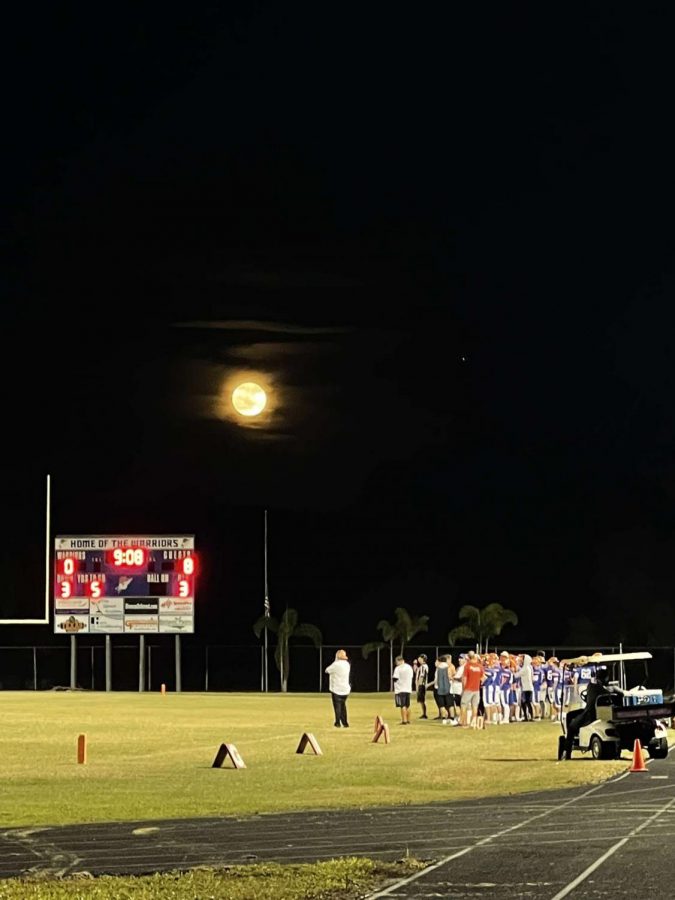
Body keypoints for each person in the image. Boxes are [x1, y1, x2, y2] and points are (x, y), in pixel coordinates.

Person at [562, 666, 623, 759]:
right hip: (603, 711)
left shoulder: (592, 686)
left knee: (571, 727)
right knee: (571, 714)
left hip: (590, 714)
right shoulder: (611, 689)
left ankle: (567, 752)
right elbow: (622, 694)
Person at [325, 649, 351, 727]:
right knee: (343, 706)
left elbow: (327, 670)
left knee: (337, 707)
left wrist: (335, 661)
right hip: (345, 689)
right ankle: (345, 722)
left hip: (336, 689)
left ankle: (337, 722)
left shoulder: (336, 664)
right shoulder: (347, 664)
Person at [393, 655, 414, 724]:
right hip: (408, 689)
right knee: (408, 705)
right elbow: (411, 676)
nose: (396, 663)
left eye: (396, 662)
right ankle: (408, 720)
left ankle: (404, 720)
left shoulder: (398, 668)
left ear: (400, 661)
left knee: (402, 705)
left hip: (400, 689)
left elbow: (395, 678)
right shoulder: (409, 667)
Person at [519, 653, 534, 721]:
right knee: (526, 702)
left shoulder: (526, 668)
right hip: (528, 687)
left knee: (526, 702)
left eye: (522, 658)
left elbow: (517, 675)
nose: (521, 660)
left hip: (526, 687)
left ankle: (529, 717)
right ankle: (528, 716)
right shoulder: (529, 667)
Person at [415, 654, 429, 718]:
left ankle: (424, 714)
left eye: (419, 658)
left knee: (422, 700)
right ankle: (424, 714)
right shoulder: (422, 666)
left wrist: (418, 685)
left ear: (422, 659)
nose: (418, 659)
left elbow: (422, 676)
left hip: (421, 685)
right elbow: (416, 671)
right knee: (421, 700)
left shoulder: (423, 666)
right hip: (421, 685)